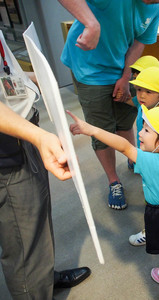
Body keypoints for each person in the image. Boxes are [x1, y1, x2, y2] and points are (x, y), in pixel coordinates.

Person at [0, 31, 90, 299]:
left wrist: (35, 79)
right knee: (22, 234)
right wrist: (38, 136)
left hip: (22, 134)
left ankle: (42, 278)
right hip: (9, 149)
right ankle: (33, 288)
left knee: (35, 224)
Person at [68, 106, 159, 286]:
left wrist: (93, 130)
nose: (140, 134)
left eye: (146, 130)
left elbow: (124, 146)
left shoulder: (148, 160)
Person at [59, 0, 159, 210]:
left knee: (126, 119)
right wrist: (92, 24)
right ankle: (113, 181)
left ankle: (134, 158)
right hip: (90, 67)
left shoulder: (157, 5)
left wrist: (126, 76)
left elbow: (140, 40)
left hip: (121, 63)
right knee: (101, 128)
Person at [124, 66, 159, 246]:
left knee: (156, 200)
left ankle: (152, 231)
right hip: (144, 154)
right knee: (151, 195)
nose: (141, 95)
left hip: (154, 161)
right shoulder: (144, 107)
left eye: (148, 91)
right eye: (138, 90)